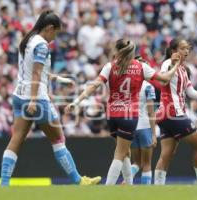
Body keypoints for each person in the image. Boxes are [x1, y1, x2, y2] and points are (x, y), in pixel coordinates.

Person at [0, 10, 101, 186]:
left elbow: (35, 70)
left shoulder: (28, 40)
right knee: (58, 139)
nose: (55, 37)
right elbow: (37, 74)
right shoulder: (42, 45)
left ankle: (4, 184)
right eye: (56, 32)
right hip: (36, 98)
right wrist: (33, 100)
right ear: (49, 28)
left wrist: (59, 79)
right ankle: (79, 181)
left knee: (16, 139)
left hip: (18, 96)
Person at [65, 38, 182, 185]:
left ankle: (129, 184)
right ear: (132, 52)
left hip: (112, 114)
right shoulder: (140, 67)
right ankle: (109, 189)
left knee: (125, 152)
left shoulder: (110, 66)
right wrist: (176, 64)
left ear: (116, 50)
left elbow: (94, 85)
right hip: (129, 115)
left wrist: (76, 101)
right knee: (120, 154)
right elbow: (165, 79)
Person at [154, 38, 197, 185]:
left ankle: (157, 189)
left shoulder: (183, 69)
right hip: (174, 113)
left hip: (165, 115)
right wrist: (173, 64)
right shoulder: (168, 63)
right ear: (174, 51)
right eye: (182, 48)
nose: (186, 51)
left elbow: (190, 91)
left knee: (167, 155)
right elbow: (162, 81)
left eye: (188, 48)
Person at [129, 56, 157, 185]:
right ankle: (146, 192)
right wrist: (153, 134)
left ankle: (126, 179)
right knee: (146, 164)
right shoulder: (148, 87)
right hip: (145, 126)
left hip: (130, 126)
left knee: (136, 162)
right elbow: (151, 112)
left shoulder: (128, 85)